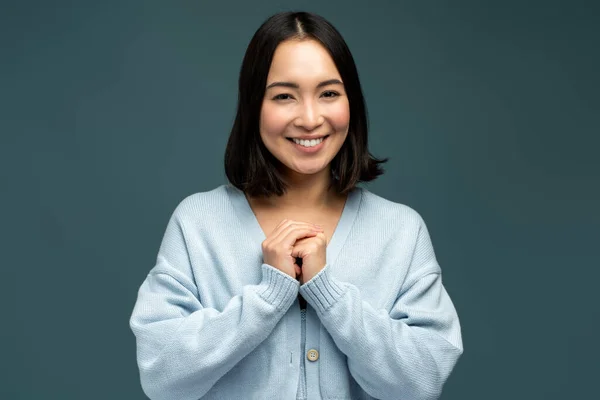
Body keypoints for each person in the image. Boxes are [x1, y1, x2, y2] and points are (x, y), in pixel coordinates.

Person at [129, 10, 463, 400]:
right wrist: (268, 296)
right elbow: (162, 378)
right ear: (255, 105)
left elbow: (420, 382)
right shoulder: (199, 223)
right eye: (284, 96)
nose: (309, 118)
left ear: (351, 102)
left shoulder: (400, 230)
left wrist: (328, 292)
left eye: (329, 93)